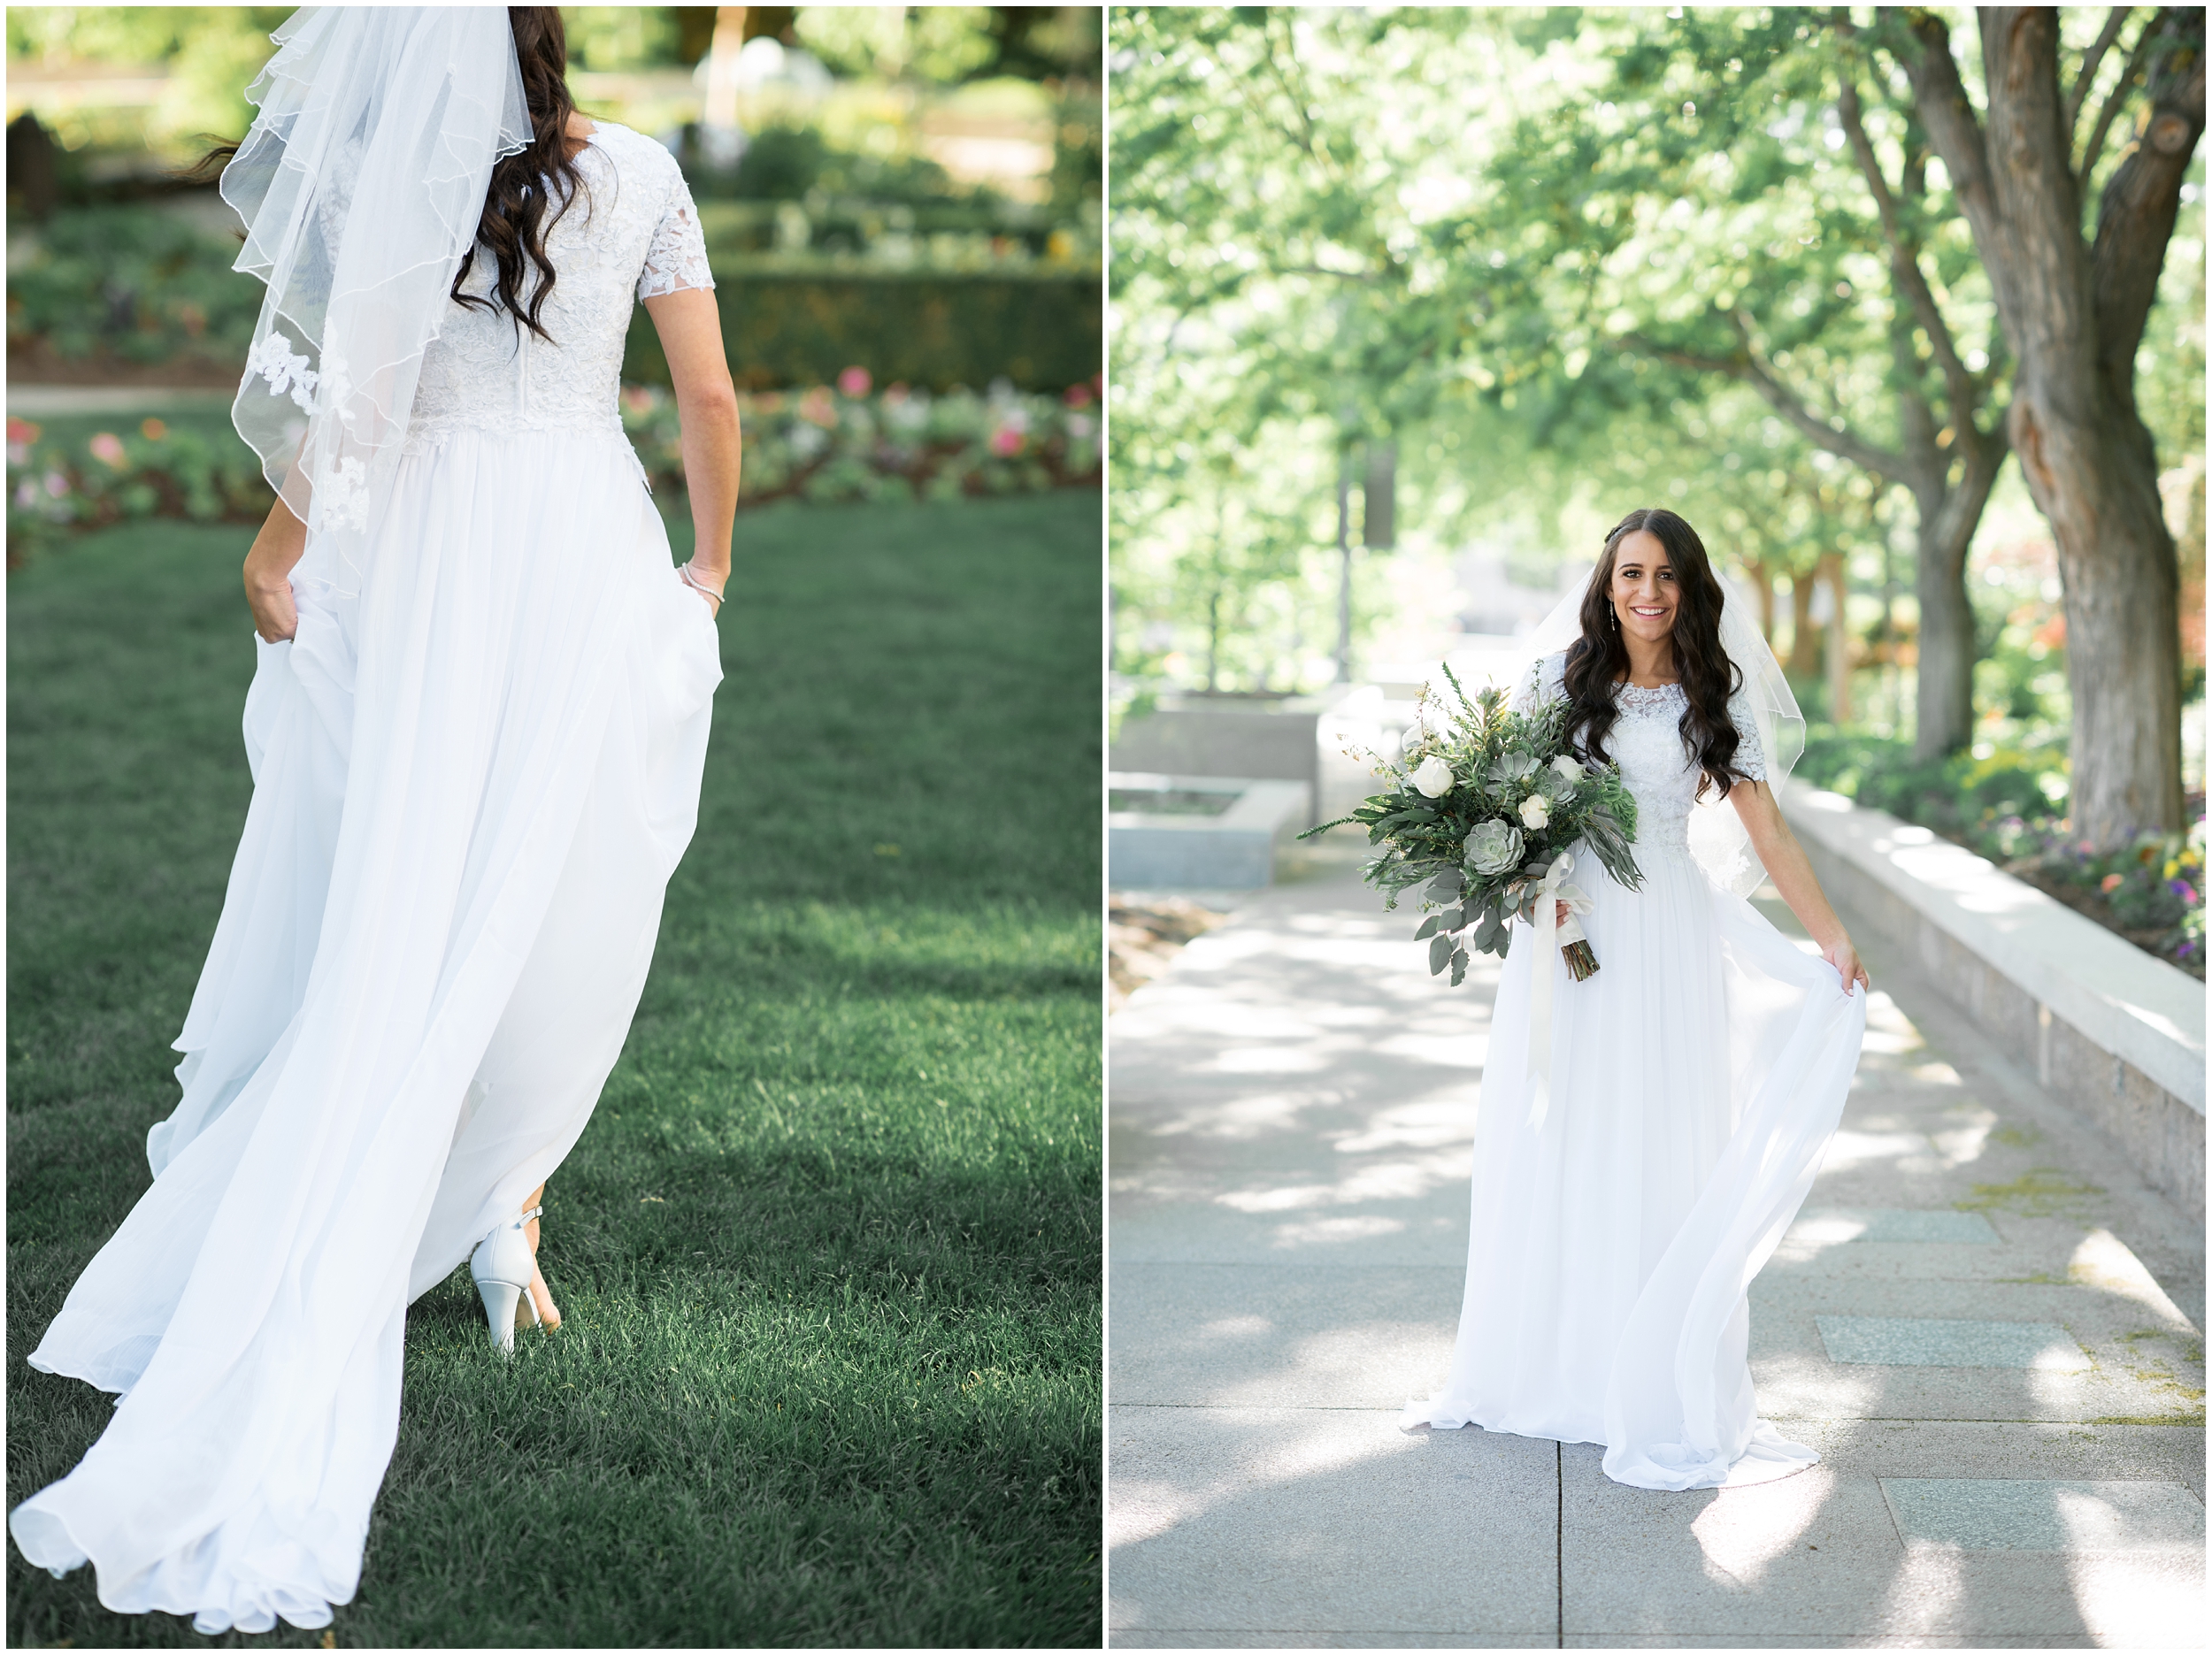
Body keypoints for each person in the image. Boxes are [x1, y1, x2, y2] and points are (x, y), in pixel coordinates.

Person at [9, 7, 738, 1633]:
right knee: (547, 880)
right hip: (579, 542)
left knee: (399, 868)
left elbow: (371, 404)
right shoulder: (641, 171)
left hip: (424, 554)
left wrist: (278, 549)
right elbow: (709, 400)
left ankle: (447, 1191)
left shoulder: (407, 178)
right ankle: (502, 1213)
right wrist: (711, 566)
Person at [1402, 506, 1870, 1491]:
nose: (1646, 591)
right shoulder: (1557, 685)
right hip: (1575, 934)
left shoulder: (1708, 697)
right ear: (1605, 585)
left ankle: (1647, 1364)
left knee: (1664, 1139)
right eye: (1629, 574)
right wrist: (1526, 878)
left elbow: (1768, 830)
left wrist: (1828, 932)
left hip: (1670, 940)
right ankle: (1555, 1364)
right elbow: (1502, 794)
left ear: (1688, 587)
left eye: (1663, 575)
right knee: (1567, 1131)